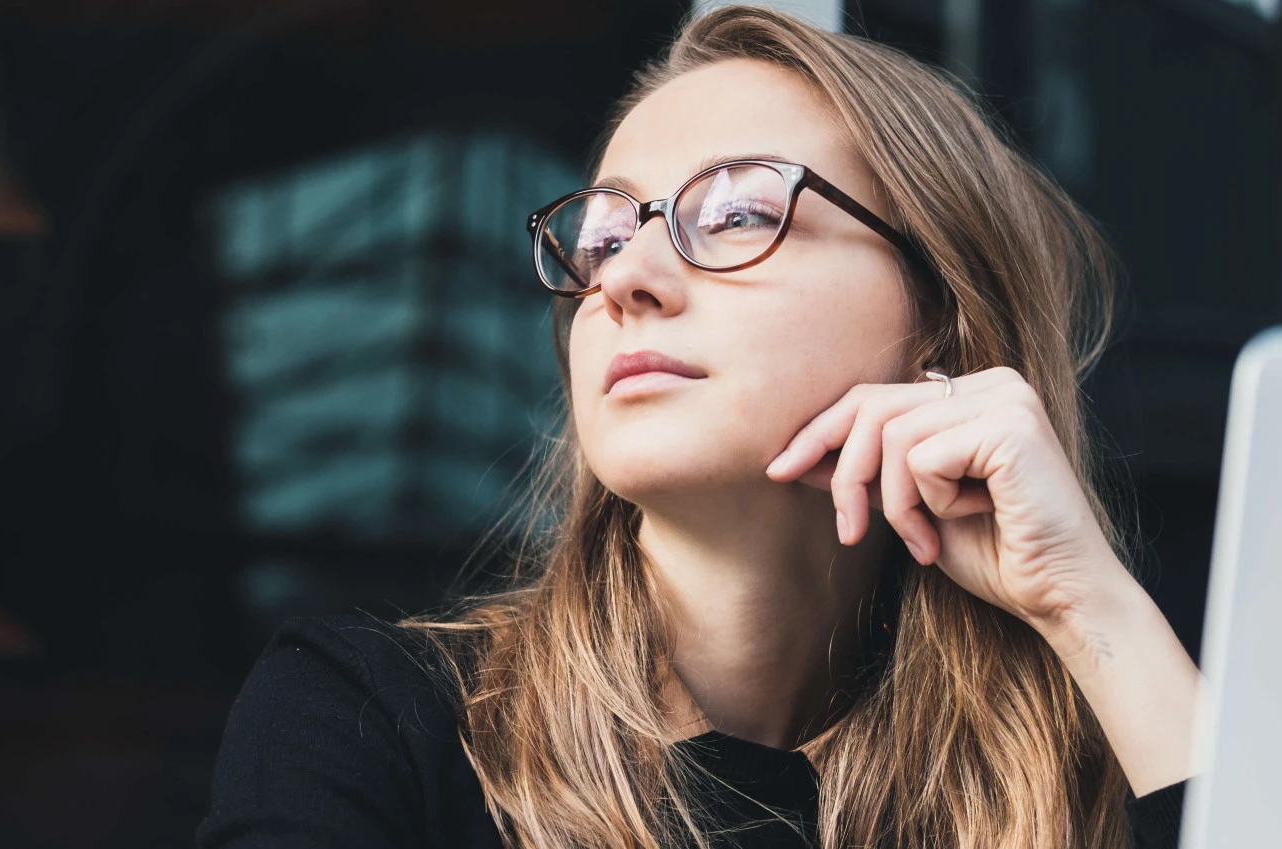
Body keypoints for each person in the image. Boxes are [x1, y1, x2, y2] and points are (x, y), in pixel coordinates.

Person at [198, 6, 1203, 848]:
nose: (624, 279)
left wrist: (1090, 607)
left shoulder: (1101, 769)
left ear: (937, 318)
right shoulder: (367, 726)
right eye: (602, 234)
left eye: (731, 215)